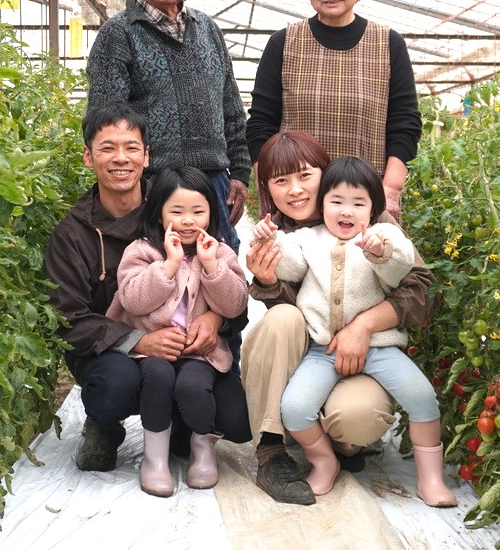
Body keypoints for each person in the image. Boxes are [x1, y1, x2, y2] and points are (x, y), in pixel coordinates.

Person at [44, 102, 251, 475]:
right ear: (88, 157)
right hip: (116, 356)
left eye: (131, 147)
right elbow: (68, 319)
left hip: (189, 352)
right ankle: (104, 424)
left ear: (147, 155)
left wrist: (216, 319)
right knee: (114, 385)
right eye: (107, 148)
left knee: (234, 417)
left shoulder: (180, 206)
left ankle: (181, 421)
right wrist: (136, 340)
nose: (121, 158)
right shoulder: (72, 235)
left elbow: (233, 286)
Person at [241, 130, 435, 506]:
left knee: (358, 418)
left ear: (324, 173)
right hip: (312, 356)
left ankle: (340, 445)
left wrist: (362, 326)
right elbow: (292, 307)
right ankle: (270, 450)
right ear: (266, 187)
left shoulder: (370, 221)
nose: (295, 190)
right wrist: (266, 278)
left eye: (305, 175)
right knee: (283, 318)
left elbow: (422, 290)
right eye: (281, 181)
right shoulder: (280, 234)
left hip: (366, 354)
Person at [86, 0, 250, 255]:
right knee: (160, 278)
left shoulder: (208, 29)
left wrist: (240, 175)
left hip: (213, 182)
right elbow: (105, 122)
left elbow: (231, 108)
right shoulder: (119, 35)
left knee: (221, 275)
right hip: (154, 186)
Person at [246, 0, 421, 220]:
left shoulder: (388, 44)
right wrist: (273, 190)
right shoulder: (283, 43)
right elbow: (261, 126)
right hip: (297, 206)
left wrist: (389, 190)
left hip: (364, 204)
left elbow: (405, 124)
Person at [106, 167, 248, 497]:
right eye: (177, 211)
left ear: (212, 212)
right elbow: (133, 300)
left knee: (194, 385)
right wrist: (168, 265)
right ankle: (155, 459)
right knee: (156, 377)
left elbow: (234, 305)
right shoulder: (142, 251)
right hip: (153, 351)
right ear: (158, 213)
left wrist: (211, 266)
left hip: (199, 353)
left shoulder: (220, 251)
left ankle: (202, 447)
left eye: (198, 211)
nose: (188, 220)